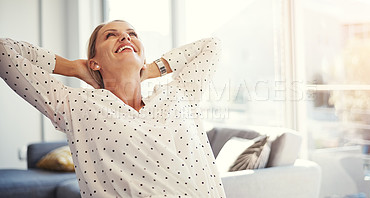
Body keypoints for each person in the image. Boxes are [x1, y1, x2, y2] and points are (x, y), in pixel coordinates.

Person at [0, 20, 225, 198]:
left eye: (132, 34)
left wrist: (150, 69)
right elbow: (3, 50)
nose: (125, 37)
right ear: (94, 62)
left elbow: (211, 46)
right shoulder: (76, 105)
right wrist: (72, 68)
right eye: (111, 35)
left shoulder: (178, 95)